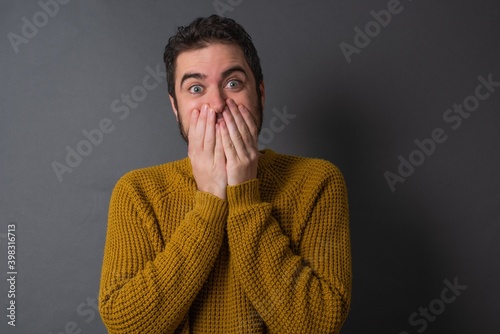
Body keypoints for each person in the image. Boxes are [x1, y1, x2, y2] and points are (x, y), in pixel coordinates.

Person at [98, 14, 351, 334]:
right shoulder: (138, 191)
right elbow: (127, 326)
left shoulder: (317, 181)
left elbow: (316, 324)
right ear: (175, 107)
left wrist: (243, 193)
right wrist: (209, 202)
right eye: (196, 88)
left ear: (260, 94)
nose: (216, 103)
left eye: (233, 83)